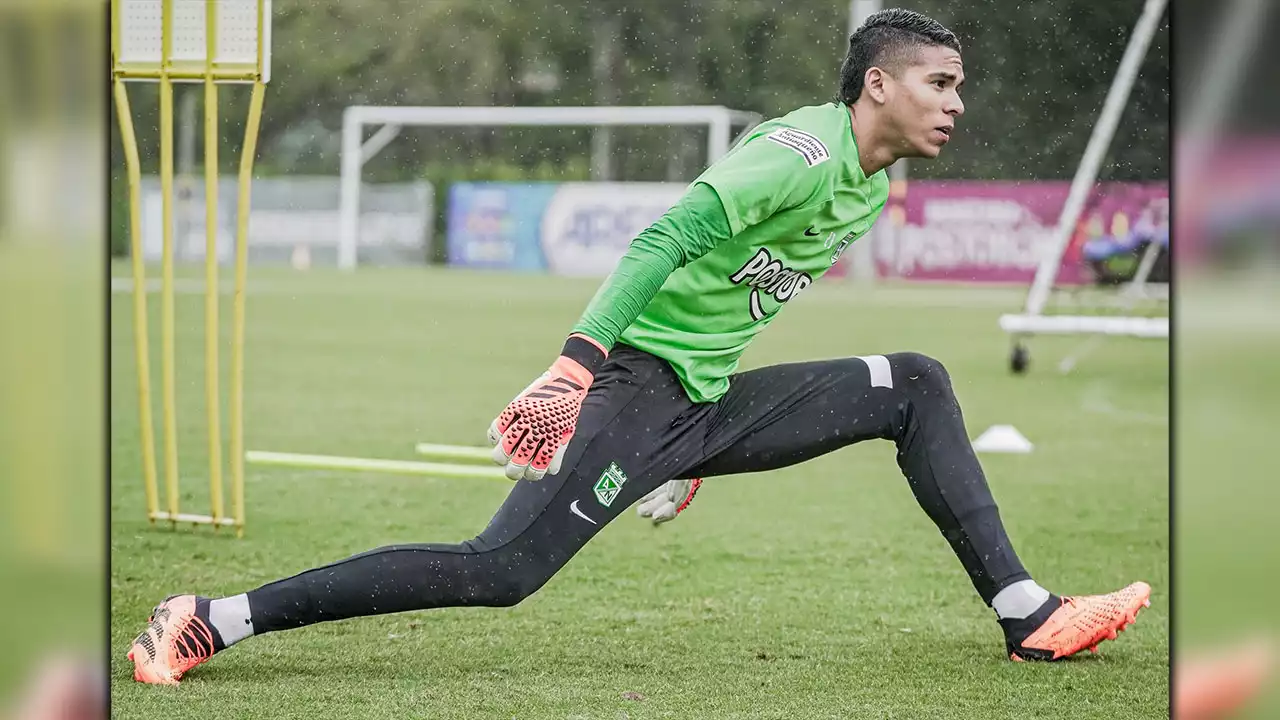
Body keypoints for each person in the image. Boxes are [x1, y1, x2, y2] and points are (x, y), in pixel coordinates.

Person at [127, 8, 1151, 685]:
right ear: (876, 85)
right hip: (635, 390)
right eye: (937, 82)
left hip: (697, 407)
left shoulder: (872, 186)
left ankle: (1026, 613)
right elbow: (661, 239)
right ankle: (213, 614)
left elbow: (736, 301)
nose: (955, 102)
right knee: (501, 569)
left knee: (911, 385)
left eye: (959, 85)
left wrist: (691, 448)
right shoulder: (795, 156)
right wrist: (576, 368)